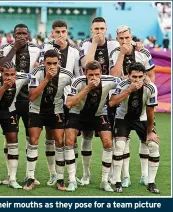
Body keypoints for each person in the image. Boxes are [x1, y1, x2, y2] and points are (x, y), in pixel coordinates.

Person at [110, 25, 155, 187]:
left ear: (131, 37)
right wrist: (122, 53)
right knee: (123, 142)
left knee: (146, 141)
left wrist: (149, 93)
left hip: (141, 103)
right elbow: (114, 75)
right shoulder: (115, 53)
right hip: (122, 101)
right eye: (121, 39)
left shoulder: (143, 52)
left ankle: (144, 175)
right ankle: (126, 176)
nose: (124, 41)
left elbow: (151, 74)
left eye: (127, 38)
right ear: (117, 39)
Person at [38, 20, 82, 186]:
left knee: (71, 137)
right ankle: (53, 174)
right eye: (57, 32)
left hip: (69, 100)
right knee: (51, 135)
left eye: (63, 31)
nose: (61, 35)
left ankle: (73, 173)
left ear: (67, 32)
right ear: (52, 33)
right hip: (51, 98)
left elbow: (78, 76)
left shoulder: (74, 52)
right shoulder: (45, 50)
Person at [65, 60, 120, 192]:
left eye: (97, 74)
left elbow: (123, 81)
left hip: (98, 113)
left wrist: (145, 78)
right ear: (85, 74)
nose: (94, 78)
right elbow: (69, 103)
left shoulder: (109, 80)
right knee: (69, 141)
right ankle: (73, 179)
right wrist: (88, 88)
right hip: (77, 113)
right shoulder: (78, 82)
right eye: (91, 75)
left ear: (101, 73)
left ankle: (104, 181)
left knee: (108, 142)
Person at [24, 49, 73, 191]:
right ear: (43, 62)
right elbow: (32, 97)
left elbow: (76, 89)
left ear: (59, 63)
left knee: (59, 141)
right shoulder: (36, 73)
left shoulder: (67, 75)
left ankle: (60, 178)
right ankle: (31, 177)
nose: (52, 66)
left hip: (56, 110)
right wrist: (47, 79)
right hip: (36, 109)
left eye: (55, 63)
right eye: (49, 63)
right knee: (33, 141)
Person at [78, 17, 119, 186]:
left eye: (102, 28)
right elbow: (85, 66)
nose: (99, 32)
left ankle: (110, 176)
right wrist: (95, 44)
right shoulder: (86, 44)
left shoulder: (114, 45)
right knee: (86, 135)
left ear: (106, 28)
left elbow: (117, 72)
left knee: (111, 138)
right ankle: (86, 174)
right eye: (96, 29)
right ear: (91, 29)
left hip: (109, 96)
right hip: (89, 97)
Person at [0, 24, 40, 185]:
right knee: (10, 137)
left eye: (24, 33)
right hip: (10, 99)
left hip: (29, 99)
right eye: (18, 34)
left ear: (28, 35)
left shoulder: (36, 50)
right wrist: (15, 47)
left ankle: (31, 175)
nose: (22, 36)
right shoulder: (6, 48)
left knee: (31, 137)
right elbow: (2, 66)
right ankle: (10, 175)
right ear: (13, 35)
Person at [109, 62, 160, 194]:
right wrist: (129, 90)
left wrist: (150, 132)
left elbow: (150, 112)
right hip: (123, 118)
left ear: (144, 76)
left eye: (140, 77)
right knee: (119, 145)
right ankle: (117, 181)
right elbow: (112, 102)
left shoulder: (151, 88)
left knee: (153, 145)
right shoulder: (122, 85)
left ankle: (151, 182)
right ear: (128, 76)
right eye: (134, 77)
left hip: (142, 118)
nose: (137, 80)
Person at [0, 62, 29, 189]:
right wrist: (3, 88)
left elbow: (33, 76)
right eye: (6, 74)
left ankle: (12, 179)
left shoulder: (21, 77)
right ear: (1, 73)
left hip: (9, 111)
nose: (9, 77)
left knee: (13, 141)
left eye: (12, 74)